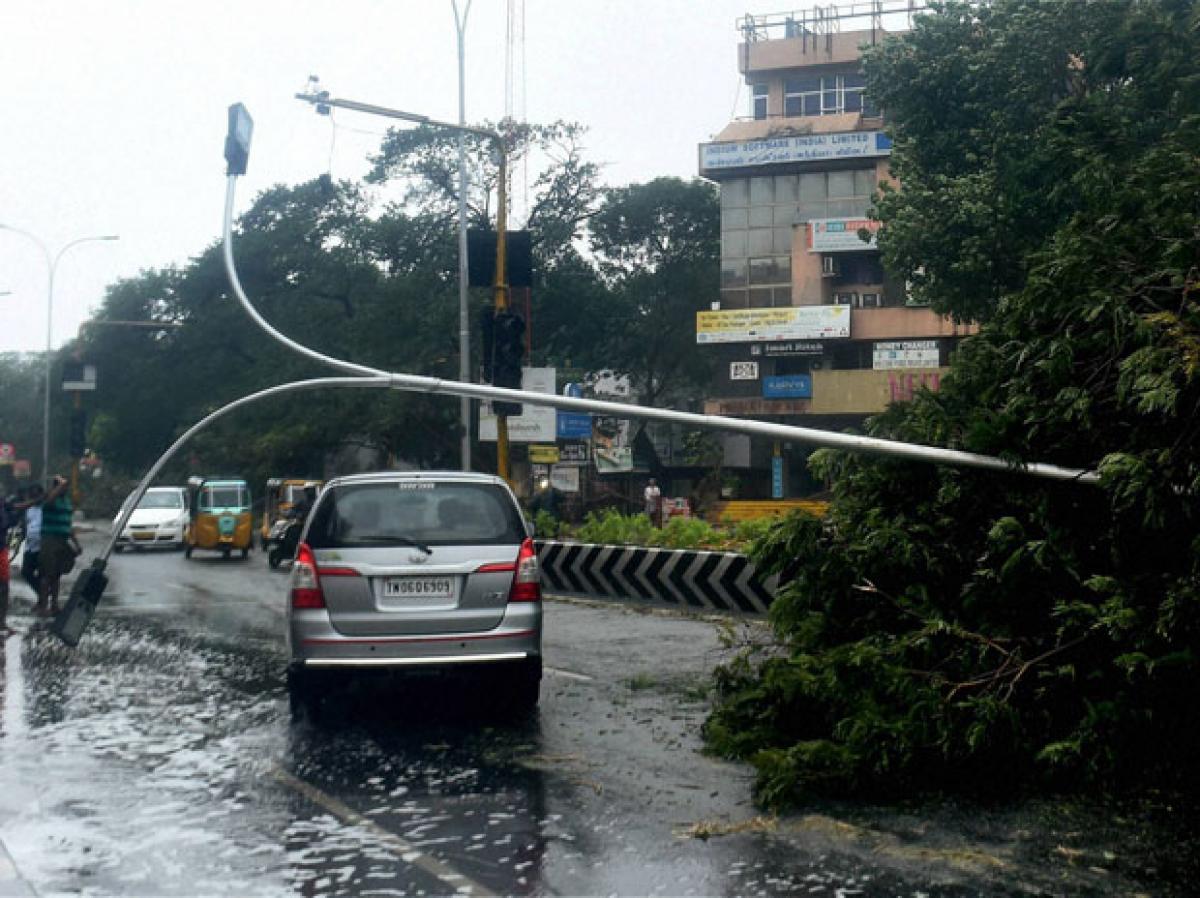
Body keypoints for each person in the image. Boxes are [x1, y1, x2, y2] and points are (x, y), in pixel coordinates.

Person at [36, 475, 74, 618]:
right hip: (49, 540)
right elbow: (49, 501)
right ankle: (43, 606)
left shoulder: (66, 501)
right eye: (62, 486)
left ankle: (54, 605)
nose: (65, 488)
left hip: (62, 539)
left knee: (57, 575)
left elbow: (68, 523)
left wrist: (75, 543)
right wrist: (59, 486)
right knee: (47, 574)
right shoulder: (50, 499)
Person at [19, 484, 43, 598]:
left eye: (37, 494)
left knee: (43, 574)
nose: (35, 497)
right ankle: (42, 594)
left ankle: (42, 599)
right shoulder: (28, 509)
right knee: (26, 572)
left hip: (43, 547)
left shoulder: (46, 508)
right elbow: (24, 526)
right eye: (33, 494)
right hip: (30, 546)